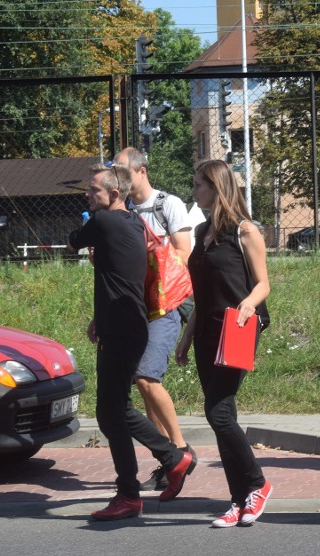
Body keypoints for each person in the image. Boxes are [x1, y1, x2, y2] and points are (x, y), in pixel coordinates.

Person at [69, 164, 194, 521]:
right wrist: (100, 319)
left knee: (114, 410)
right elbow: (118, 275)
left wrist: (86, 228)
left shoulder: (106, 222)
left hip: (123, 330)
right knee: (110, 413)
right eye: (89, 191)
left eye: (94, 190)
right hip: (124, 325)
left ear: (115, 194)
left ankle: (166, 463)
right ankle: (137, 486)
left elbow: (73, 240)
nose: (88, 196)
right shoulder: (134, 224)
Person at [175, 160, 272, 528]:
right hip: (205, 332)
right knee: (223, 417)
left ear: (216, 187)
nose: (194, 191)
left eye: (199, 185)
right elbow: (201, 295)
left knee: (216, 412)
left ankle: (258, 484)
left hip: (238, 329)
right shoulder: (201, 232)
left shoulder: (245, 231)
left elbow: (263, 283)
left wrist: (248, 304)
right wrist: (185, 339)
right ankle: (239, 498)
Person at [112, 147, 196, 492]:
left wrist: (147, 250)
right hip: (137, 306)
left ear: (141, 171)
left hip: (168, 304)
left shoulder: (167, 204)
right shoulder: (125, 211)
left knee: (147, 378)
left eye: (122, 172)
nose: (117, 179)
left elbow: (184, 254)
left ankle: (180, 450)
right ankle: (166, 459)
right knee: (142, 387)